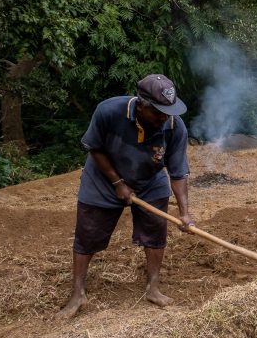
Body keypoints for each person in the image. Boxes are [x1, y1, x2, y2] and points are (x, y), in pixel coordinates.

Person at [57, 74, 195, 319]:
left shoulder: (174, 126)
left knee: (155, 232)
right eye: (159, 112)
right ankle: (77, 294)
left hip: (150, 180)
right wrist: (118, 183)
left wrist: (184, 213)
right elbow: (94, 148)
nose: (165, 117)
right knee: (88, 234)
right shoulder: (109, 112)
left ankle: (153, 288)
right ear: (141, 104)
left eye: (169, 111)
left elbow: (178, 172)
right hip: (103, 179)